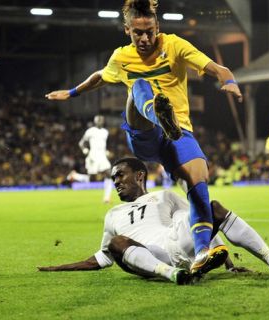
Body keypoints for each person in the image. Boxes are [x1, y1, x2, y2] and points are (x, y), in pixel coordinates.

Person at [45, 0, 243, 274]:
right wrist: (72, 93)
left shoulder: (175, 45)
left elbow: (218, 69)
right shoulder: (121, 57)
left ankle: (201, 255)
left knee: (199, 186)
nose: (145, 38)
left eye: (150, 31)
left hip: (179, 134)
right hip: (144, 134)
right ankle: (158, 115)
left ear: (157, 26)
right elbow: (100, 77)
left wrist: (228, 80)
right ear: (128, 30)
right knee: (139, 84)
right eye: (138, 32)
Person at [38, 158, 269, 284]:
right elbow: (100, 258)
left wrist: (230, 265)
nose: (116, 182)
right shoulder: (113, 215)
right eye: (114, 179)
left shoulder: (165, 196)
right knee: (118, 242)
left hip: (176, 246)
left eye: (120, 175)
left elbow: (202, 225)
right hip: (148, 258)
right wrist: (58, 268)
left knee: (210, 207)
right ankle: (173, 274)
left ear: (140, 176)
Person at [67, 115, 113, 203]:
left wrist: (106, 151)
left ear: (103, 121)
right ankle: (75, 176)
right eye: (98, 120)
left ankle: (107, 198)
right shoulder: (90, 131)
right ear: (94, 121)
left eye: (101, 120)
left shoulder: (105, 132)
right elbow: (81, 143)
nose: (99, 121)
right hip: (93, 156)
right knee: (92, 179)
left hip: (102, 156)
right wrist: (85, 150)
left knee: (108, 174)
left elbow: (104, 144)